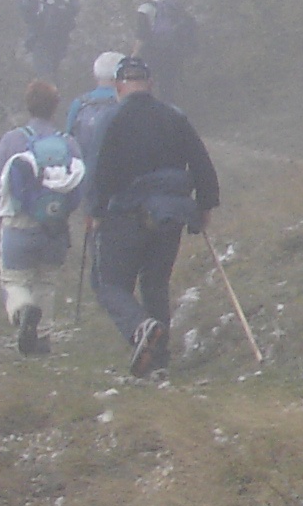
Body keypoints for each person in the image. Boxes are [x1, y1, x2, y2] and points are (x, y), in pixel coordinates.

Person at [84, 54, 221, 378]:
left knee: (108, 284)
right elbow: (201, 163)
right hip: (170, 214)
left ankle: (140, 328)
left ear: (118, 87)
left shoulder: (110, 118)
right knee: (155, 283)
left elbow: (98, 168)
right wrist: (204, 205)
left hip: (125, 214)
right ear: (150, 84)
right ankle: (157, 361)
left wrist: (94, 211)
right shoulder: (175, 117)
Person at [0, 79, 86, 356]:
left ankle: (23, 312)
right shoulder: (68, 143)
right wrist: (61, 214)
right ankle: (42, 338)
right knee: (46, 281)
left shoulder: (12, 140)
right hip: (54, 227)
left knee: (14, 280)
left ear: (28, 105)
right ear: (55, 107)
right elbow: (78, 188)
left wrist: (0, 219)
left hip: (18, 224)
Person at [133, 0, 197, 103]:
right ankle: (169, 108)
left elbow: (142, 35)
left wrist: (134, 55)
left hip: (154, 53)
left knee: (148, 84)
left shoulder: (145, 9)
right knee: (168, 86)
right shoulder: (173, 5)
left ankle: (151, 110)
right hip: (174, 51)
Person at [20, 0, 78, 81]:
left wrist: (34, 24)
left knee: (43, 75)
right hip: (61, 37)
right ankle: (56, 90)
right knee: (55, 72)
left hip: (40, 37)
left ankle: (46, 91)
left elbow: (25, 8)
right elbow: (75, 7)